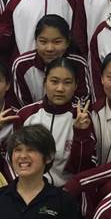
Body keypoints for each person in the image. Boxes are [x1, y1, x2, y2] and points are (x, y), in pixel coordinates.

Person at [16, 57, 96, 187]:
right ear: (44, 83)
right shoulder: (26, 115)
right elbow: (12, 159)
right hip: (28, 188)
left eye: (67, 83)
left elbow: (84, 168)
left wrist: (81, 135)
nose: (60, 89)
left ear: (75, 86)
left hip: (66, 191)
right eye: (54, 81)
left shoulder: (82, 117)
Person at [11, 14, 89, 107]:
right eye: (43, 42)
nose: (50, 48)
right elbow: (22, 106)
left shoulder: (79, 64)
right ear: (36, 41)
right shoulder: (21, 65)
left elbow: (83, 102)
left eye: (57, 42)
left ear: (67, 42)